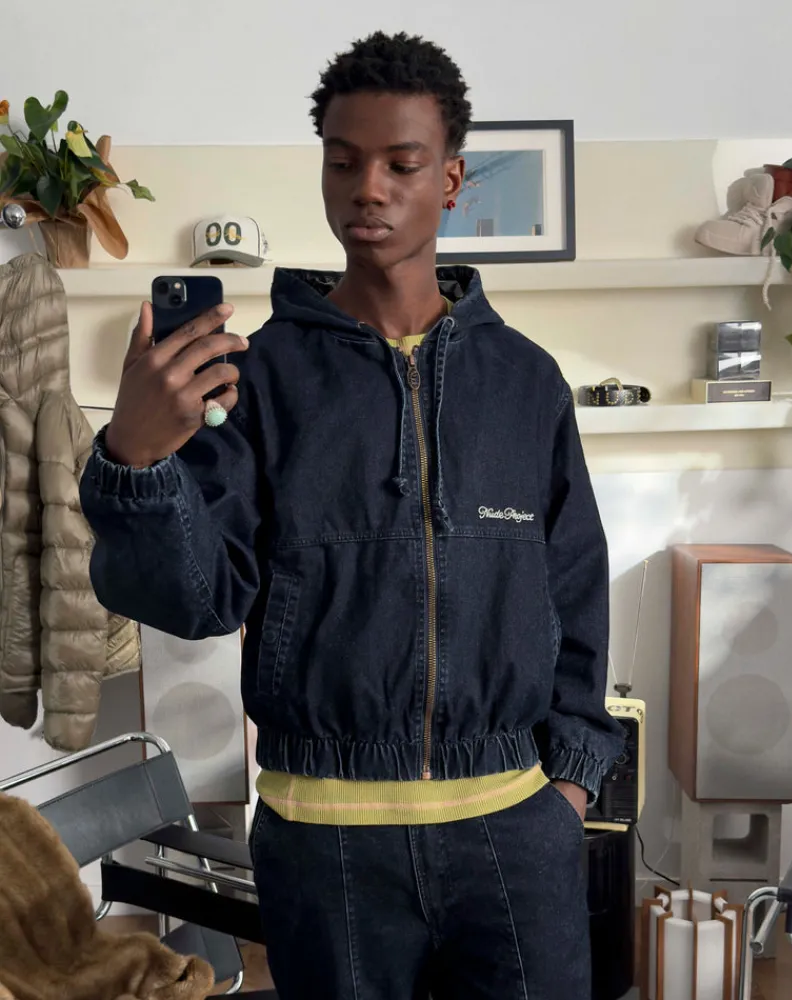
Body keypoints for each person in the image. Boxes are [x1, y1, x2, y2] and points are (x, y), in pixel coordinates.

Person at [80, 30, 623, 1000]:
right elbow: (194, 600)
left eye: (400, 164)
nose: (368, 188)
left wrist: (568, 788)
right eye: (343, 161)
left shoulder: (525, 382)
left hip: (514, 831)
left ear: (449, 180)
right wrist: (137, 457)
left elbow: (575, 589)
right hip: (325, 844)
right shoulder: (260, 379)